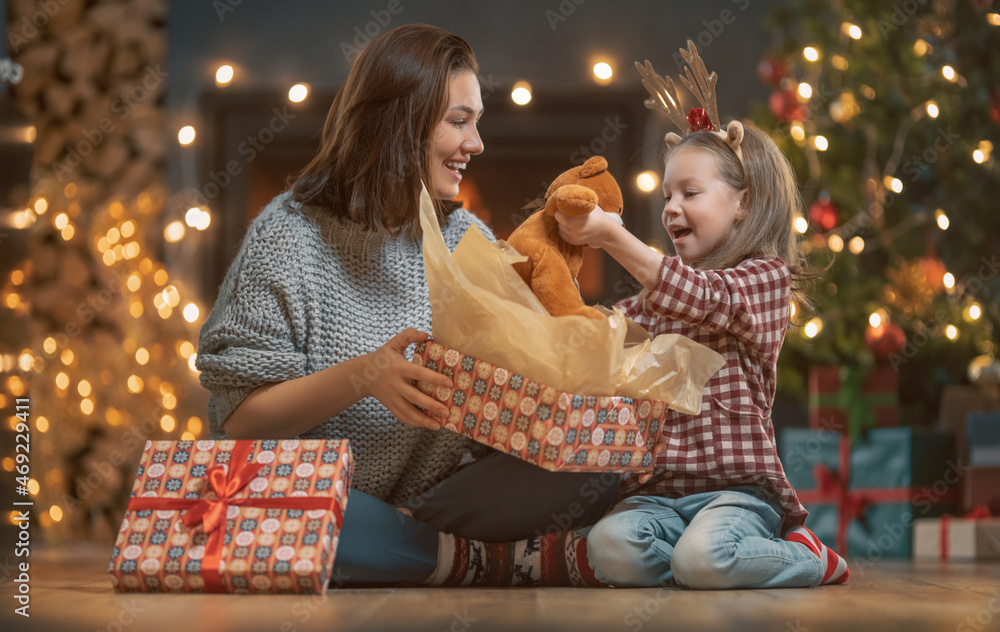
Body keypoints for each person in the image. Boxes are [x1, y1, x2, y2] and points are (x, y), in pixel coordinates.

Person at [196, 23, 618, 587]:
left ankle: (410, 550)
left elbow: (517, 400)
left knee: (597, 460)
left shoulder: (465, 238)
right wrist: (365, 375)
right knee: (258, 506)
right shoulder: (288, 235)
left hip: (433, 504)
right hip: (319, 494)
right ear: (402, 122)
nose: (477, 144)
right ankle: (470, 559)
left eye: (478, 123)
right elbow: (239, 421)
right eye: (459, 121)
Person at [553, 121, 849, 588]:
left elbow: (705, 297)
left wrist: (612, 238)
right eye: (668, 196)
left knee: (705, 559)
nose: (672, 208)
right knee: (608, 548)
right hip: (655, 496)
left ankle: (808, 558)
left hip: (737, 494)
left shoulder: (764, 280)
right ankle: (697, 567)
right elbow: (596, 334)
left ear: (743, 203)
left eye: (690, 193)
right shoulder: (651, 303)